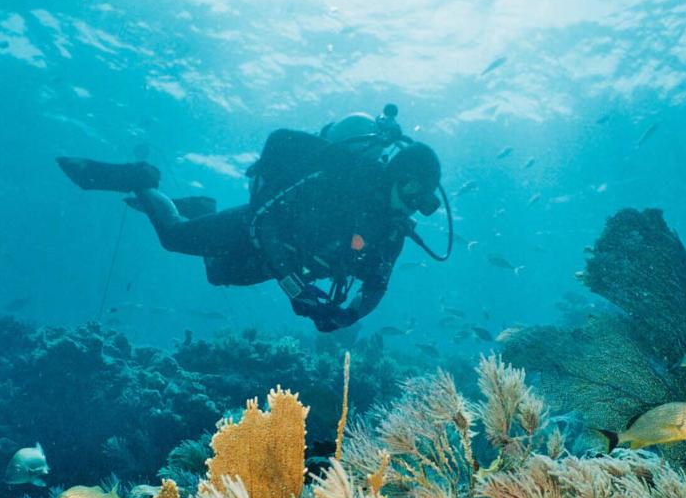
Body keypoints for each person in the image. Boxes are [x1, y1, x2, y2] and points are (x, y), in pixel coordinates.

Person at [56, 105, 447, 333]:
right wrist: (296, 288)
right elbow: (268, 221)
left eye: (423, 201)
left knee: (216, 274)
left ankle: (201, 205)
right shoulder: (339, 183)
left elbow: (377, 284)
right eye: (411, 191)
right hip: (260, 226)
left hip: (286, 260)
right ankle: (142, 180)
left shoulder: (393, 229)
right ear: (396, 175)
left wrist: (348, 315)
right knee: (174, 238)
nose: (413, 206)